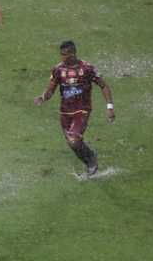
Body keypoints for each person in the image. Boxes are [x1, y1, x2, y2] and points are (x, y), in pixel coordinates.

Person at [34, 40, 116, 177]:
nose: (62, 57)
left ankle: (91, 161)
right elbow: (51, 89)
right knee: (72, 143)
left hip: (82, 109)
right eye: (61, 54)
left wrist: (110, 107)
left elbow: (104, 86)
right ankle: (89, 158)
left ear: (73, 54)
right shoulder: (58, 70)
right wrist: (43, 97)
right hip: (65, 112)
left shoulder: (87, 69)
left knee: (74, 140)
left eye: (65, 54)